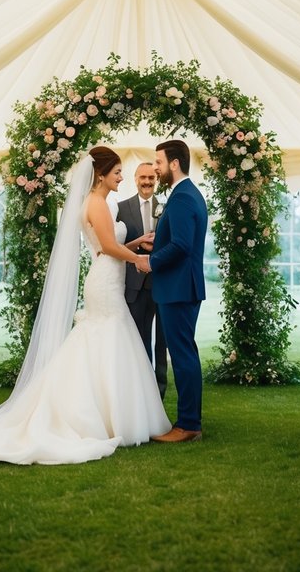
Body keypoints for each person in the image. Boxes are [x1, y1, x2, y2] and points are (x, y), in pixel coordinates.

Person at [0, 146, 171, 464]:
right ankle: (99, 415)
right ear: (100, 174)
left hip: (106, 275)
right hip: (105, 282)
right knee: (105, 337)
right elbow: (109, 248)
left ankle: (110, 413)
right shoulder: (98, 203)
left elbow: (104, 248)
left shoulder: (96, 202)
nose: (120, 177)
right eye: (116, 172)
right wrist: (138, 258)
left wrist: (133, 244)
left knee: (105, 339)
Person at [134, 139, 208, 444]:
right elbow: (177, 241)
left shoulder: (181, 198)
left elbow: (182, 246)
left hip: (178, 288)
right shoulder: (186, 194)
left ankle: (188, 424)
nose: (155, 167)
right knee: (184, 353)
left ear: (174, 163)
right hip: (180, 286)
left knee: (183, 356)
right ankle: (189, 420)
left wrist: (151, 261)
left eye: (159, 162)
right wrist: (158, 245)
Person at [116, 161, 168, 397]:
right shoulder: (121, 208)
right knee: (139, 339)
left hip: (162, 281)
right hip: (135, 285)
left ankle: (160, 388)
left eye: (151, 178)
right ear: (135, 179)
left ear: (156, 180)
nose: (147, 182)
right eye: (142, 178)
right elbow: (115, 245)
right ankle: (142, 390)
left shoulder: (166, 206)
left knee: (162, 340)